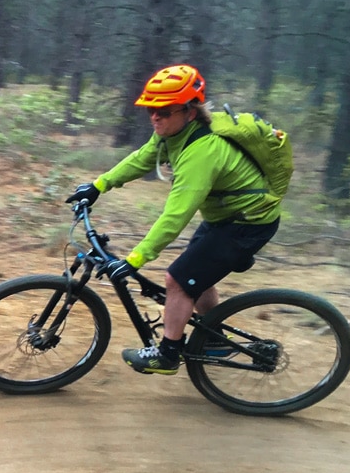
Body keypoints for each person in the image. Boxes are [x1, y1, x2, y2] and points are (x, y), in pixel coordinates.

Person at [64, 64, 282, 374]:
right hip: (227, 217)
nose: (155, 116)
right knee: (196, 276)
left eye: (165, 110)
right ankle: (215, 339)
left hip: (249, 223)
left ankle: (167, 355)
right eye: (151, 109)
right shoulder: (173, 135)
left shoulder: (202, 152)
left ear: (190, 112)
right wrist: (99, 186)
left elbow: (176, 215)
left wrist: (136, 258)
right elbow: (142, 158)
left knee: (177, 280)